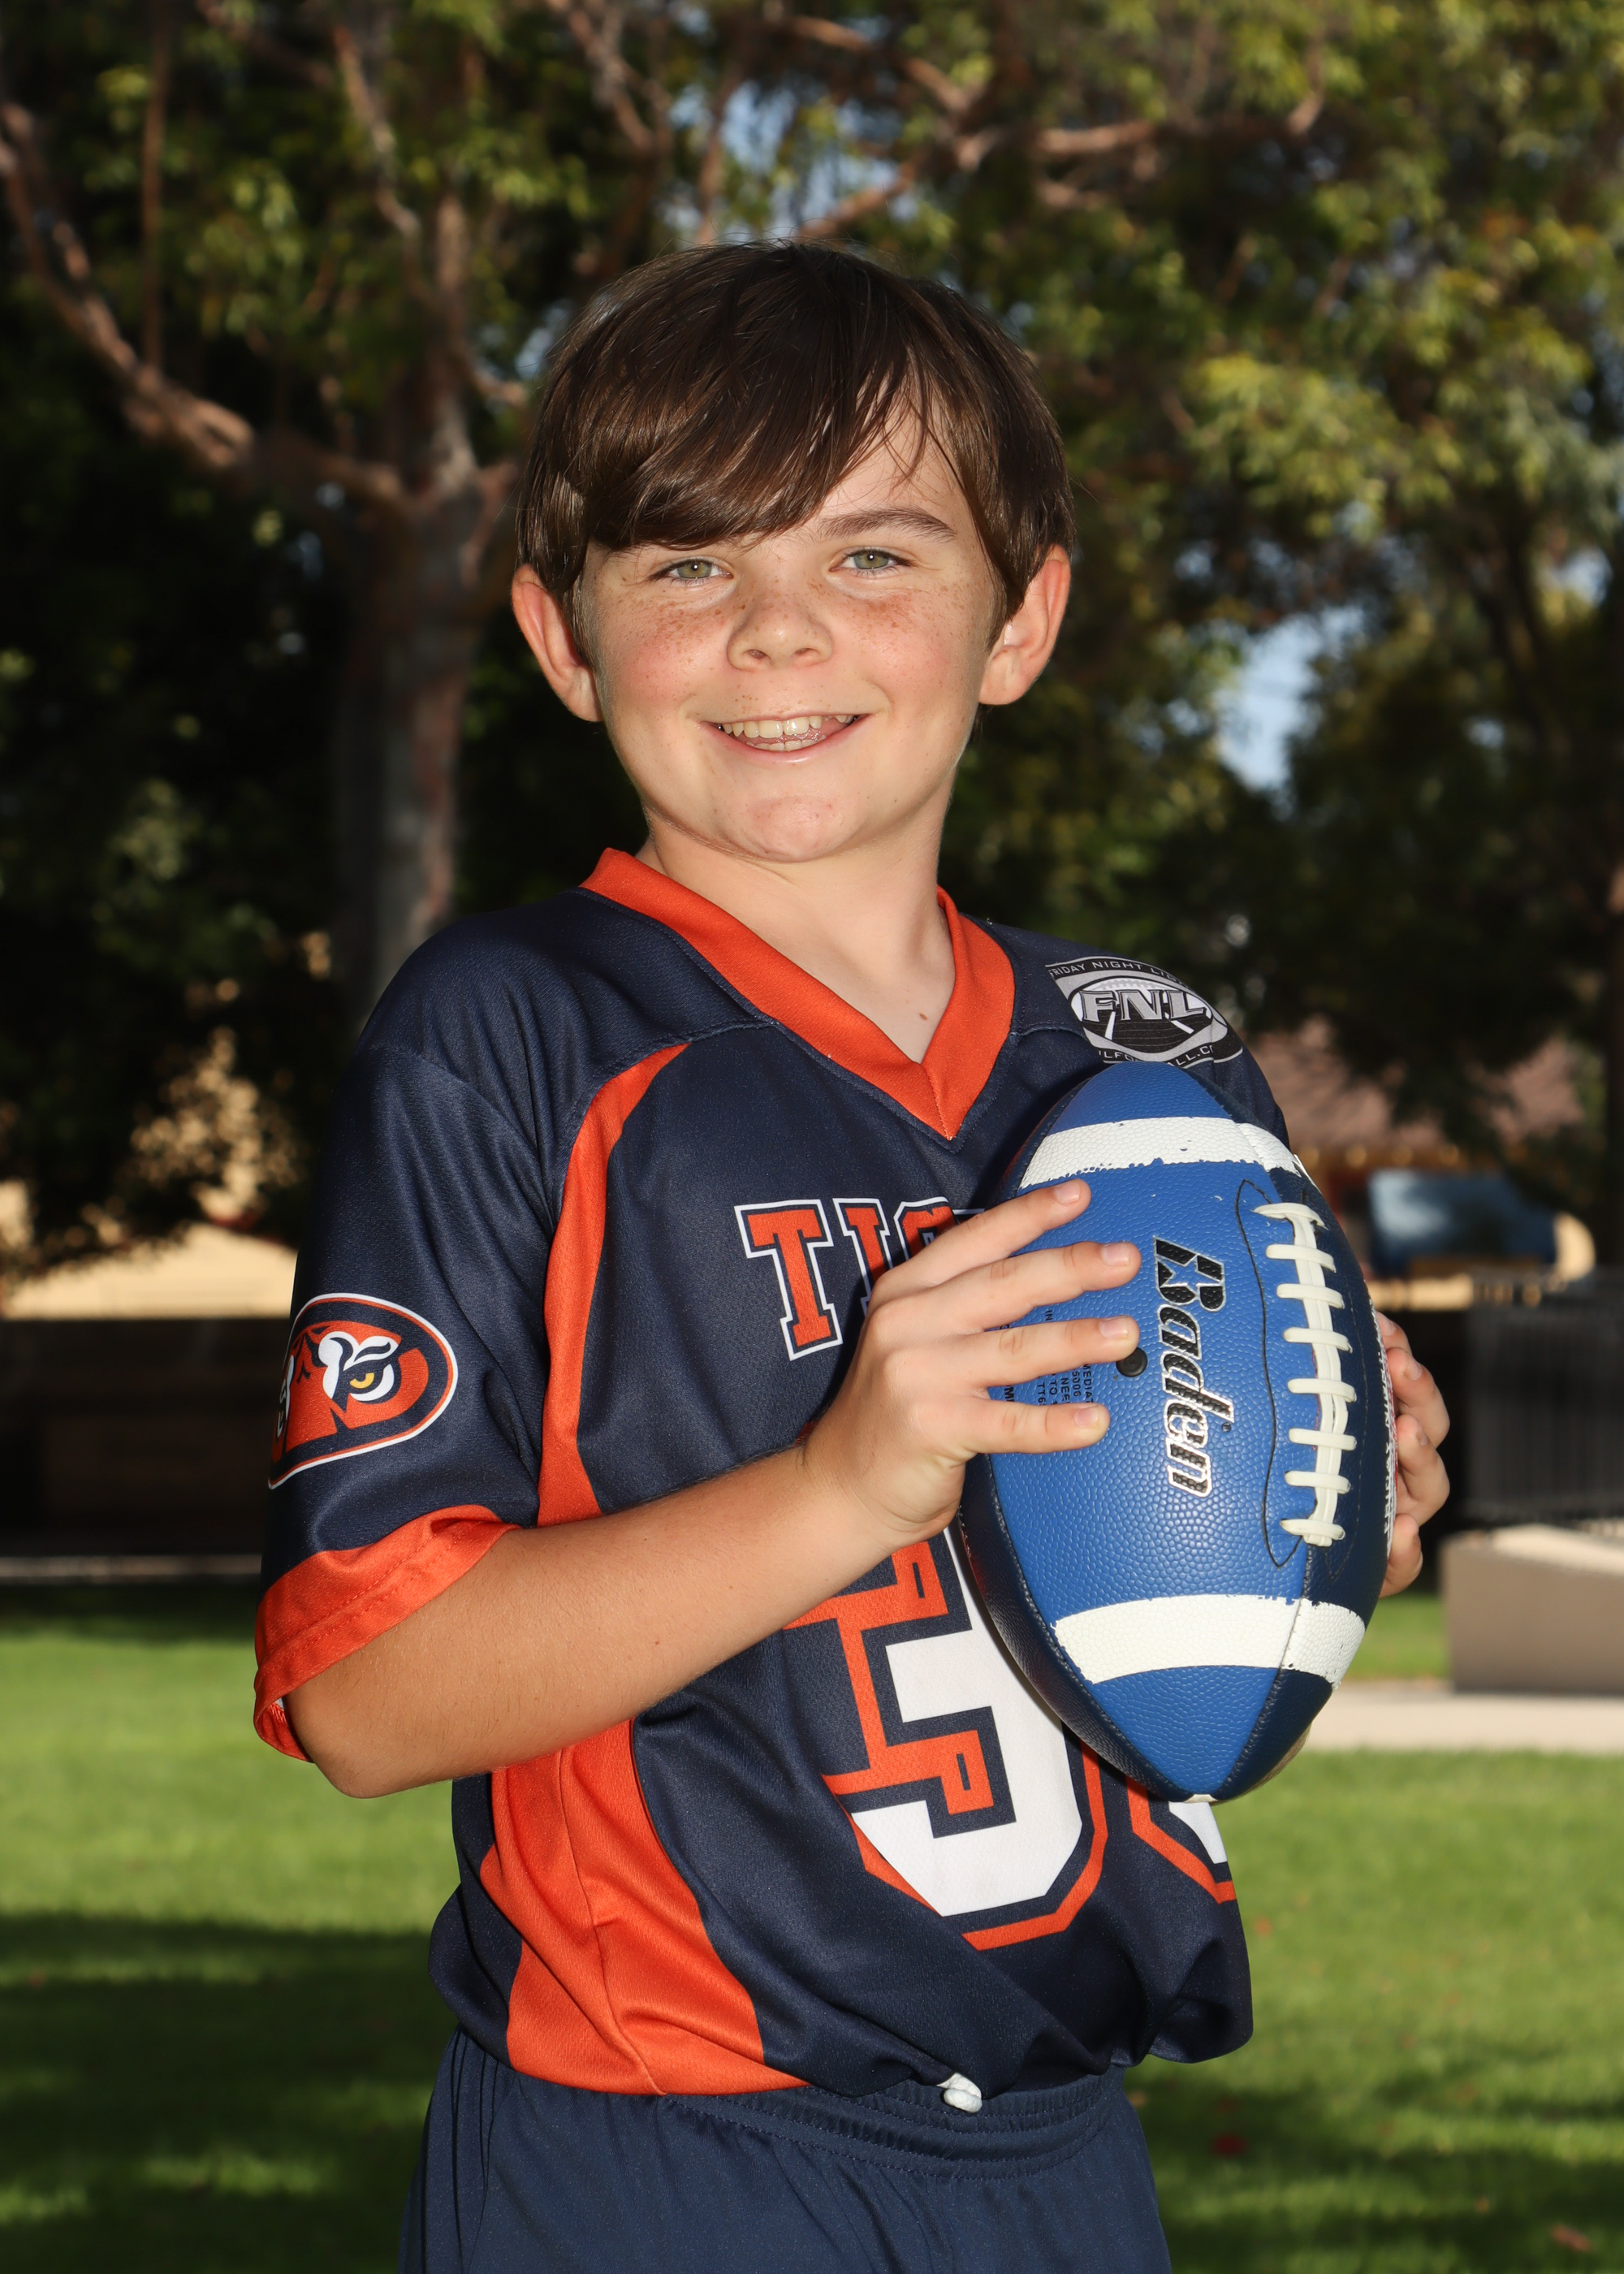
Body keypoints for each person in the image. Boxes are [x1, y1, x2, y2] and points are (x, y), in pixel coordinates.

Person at [254, 243, 1449, 2274]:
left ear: (1021, 617)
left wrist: (1333, 1509)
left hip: (1067, 2148)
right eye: (688, 563)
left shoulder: (1147, 1057)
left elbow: (1164, 1638)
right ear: (562, 635)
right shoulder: (513, 1031)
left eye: (874, 554)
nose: (777, 628)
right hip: (663, 2155)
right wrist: (844, 1484)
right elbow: (366, 1693)